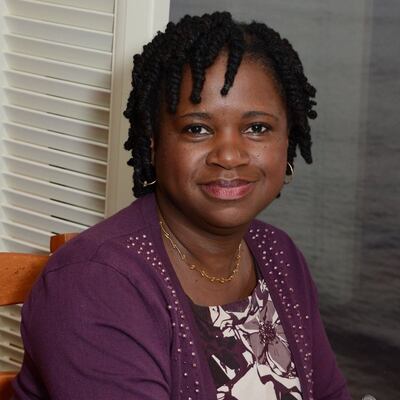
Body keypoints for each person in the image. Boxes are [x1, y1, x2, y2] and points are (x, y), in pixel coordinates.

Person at [12, 11, 350, 400]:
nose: (229, 155)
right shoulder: (93, 283)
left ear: (287, 140)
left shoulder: (278, 254)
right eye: (197, 129)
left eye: (257, 128)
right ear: (153, 144)